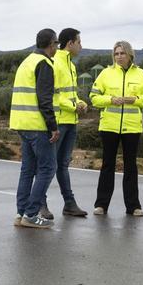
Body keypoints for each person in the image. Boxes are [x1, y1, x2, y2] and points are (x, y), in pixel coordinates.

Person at [90, 41, 143, 216]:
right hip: (109, 126)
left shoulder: (141, 74)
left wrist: (136, 100)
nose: (119, 56)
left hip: (132, 127)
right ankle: (101, 205)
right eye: (116, 53)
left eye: (122, 53)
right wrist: (110, 99)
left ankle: (133, 206)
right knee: (107, 165)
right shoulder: (105, 73)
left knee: (131, 166)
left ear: (130, 55)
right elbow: (94, 97)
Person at [11, 28, 60, 229]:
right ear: (51, 44)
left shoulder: (26, 61)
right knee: (48, 168)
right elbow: (44, 99)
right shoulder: (44, 63)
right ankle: (31, 215)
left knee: (27, 170)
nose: (57, 47)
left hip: (22, 123)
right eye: (56, 44)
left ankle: (21, 213)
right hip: (37, 125)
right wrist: (53, 127)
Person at [40, 28, 90, 219]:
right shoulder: (55, 63)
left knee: (63, 165)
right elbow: (54, 95)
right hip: (58, 123)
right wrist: (73, 106)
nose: (81, 45)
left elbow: (71, 94)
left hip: (71, 122)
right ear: (70, 43)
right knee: (49, 165)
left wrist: (80, 102)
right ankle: (40, 204)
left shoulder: (71, 65)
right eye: (79, 41)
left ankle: (69, 204)